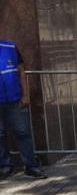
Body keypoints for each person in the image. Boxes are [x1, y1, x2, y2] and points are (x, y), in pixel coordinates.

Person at [0, 40, 45, 179]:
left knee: (23, 133)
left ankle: (31, 166)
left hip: (16, 100)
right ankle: (5, 167)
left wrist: (25, 95)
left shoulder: (11, 47)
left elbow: (21, 71)